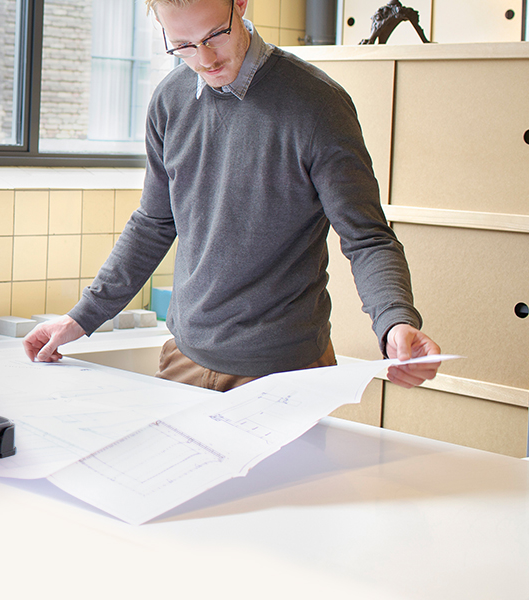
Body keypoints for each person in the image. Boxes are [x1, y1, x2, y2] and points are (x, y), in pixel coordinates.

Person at [24, 0, 441, 391]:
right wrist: (82, 317)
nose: (204, 59)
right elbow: (153, 224)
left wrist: (394, 321)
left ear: (239, 3)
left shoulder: (318, 105)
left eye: (214, 36)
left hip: (285, 371)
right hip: (182, 360)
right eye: (183, 45)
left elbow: (366, 236)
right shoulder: (169, 101)